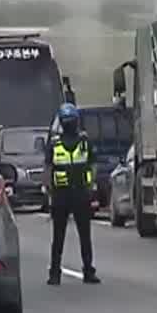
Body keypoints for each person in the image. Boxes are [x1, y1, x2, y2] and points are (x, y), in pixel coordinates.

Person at [45, 102, 100, 286]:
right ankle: (86, 271)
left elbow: (47, 170)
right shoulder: (81, 142)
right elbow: (93, 165)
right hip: (75, 194)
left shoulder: (60, 143)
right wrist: (91, 185)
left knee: (61, 237)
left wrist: (49, 192)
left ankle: (56, 274)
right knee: (80, 236)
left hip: (66, 195)